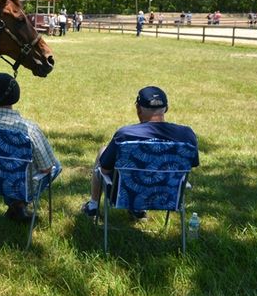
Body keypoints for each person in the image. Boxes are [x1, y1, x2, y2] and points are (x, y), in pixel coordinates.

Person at [80, 86, 199, 220]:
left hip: (124, 194)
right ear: (166, 108)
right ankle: (138, 210)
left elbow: (105, 169)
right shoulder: (187, 135)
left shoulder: (125, 135)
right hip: (168, 195)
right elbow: (192, 164)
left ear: (138, 109)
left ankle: (93, 207)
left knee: (103, 151)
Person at [0, 73, 60, 223]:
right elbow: (47, 168)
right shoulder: (29, 129)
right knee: (55, 166)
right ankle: (19, 204)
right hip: (20, 185)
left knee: (8, 168)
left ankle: (15, 205)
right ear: (16, 96)